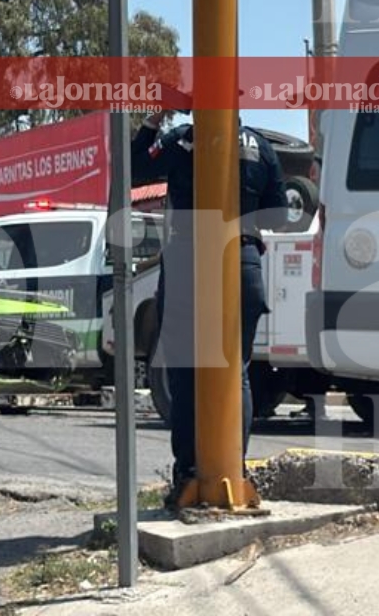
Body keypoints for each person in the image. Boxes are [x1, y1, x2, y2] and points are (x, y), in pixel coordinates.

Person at [132, 109, 285, 509]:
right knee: (238, 372)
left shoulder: (180, 139)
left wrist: (151, 124)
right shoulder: (261, 146)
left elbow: (133, 172)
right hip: (242, 259)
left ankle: (188, 475)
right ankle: (234, 469)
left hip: (190, 256)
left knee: (184, 371)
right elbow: (281, 215)